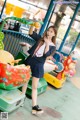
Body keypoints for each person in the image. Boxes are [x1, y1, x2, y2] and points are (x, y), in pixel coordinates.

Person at [22, 26, 57, 115]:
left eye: (51, 32)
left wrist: (47, 43)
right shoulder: (40, 39)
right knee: (25, 81)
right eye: (48, 30)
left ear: (54, 34)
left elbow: (46, 54)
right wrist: (32, 25)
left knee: (34, 86)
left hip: (38, 65)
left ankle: (34, 106)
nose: (49, 32)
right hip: (31, 60)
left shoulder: (53, 47)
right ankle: (21, 99)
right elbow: (30, 33)